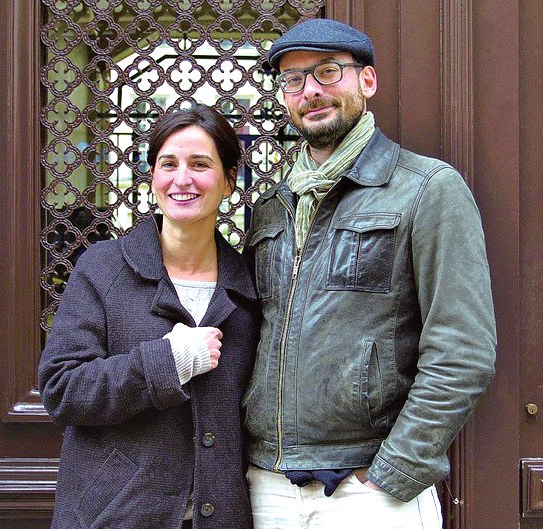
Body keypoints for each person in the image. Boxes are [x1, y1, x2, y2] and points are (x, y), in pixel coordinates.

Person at [242, 18, 496, 528]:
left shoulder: (427, 188)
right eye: (293, 79)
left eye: (328, 71)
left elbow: (463, 348)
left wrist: (395, 471)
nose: (311, 91)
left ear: (367, 80)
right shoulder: (272, 206)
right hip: (269, 486)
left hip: (368, 490)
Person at [39, 104, 259, 529]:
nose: (182, 179)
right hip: (114, 517)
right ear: (153, 176)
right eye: (168, 164)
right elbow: (61, 389)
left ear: (229, 180)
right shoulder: (103, 269)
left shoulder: (249, 287)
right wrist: (167, 362)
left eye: (200, 164)